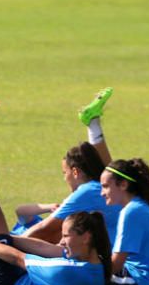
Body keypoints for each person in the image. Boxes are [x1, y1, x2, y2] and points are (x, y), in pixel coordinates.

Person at [0, 100, 109, 285]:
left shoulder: (67, 270)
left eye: (66, 235)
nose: (61, 240)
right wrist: (7, 238)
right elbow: (46, 249)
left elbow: (19, 258)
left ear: (86, 237)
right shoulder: (94, 264)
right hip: (19, 276)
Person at [11, 87, 121, 245]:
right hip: (121, 257)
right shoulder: (103, 188)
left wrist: (4, 245)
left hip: (115, 263)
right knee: (111, 175)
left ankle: (93, 123)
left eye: (64, 173)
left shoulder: (88, 190)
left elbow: (44, 229)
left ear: (75, 172)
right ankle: (93, 123)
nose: (65, 178)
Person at [98, 158, 149, 285]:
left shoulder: (131, 212)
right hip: (147, 284)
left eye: (105, 186)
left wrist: (88, 272)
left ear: (123, 184)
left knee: (77, 274)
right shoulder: (139, 207)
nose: (102, 193)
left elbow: (116, 264)